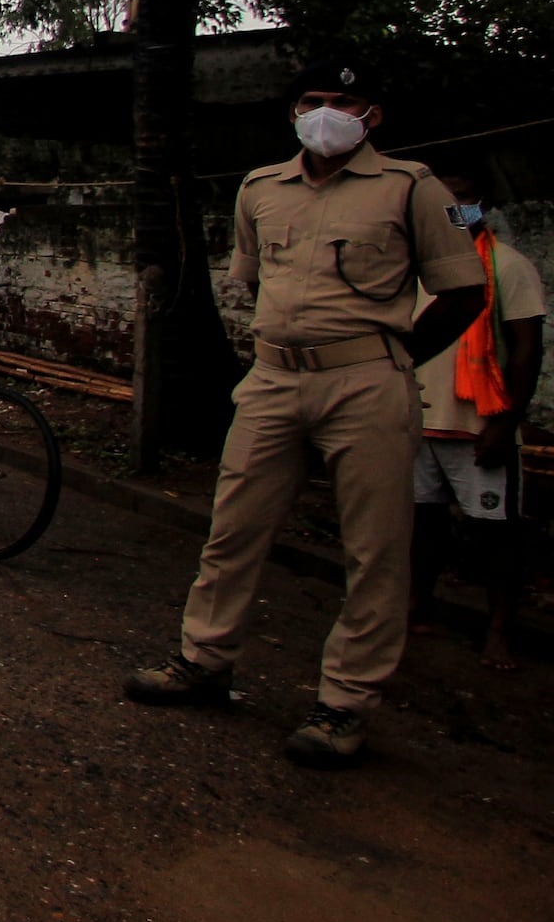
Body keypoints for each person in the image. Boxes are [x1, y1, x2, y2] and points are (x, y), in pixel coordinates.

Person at [125, 57, 489, 769]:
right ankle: (204, 658)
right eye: (314, 100)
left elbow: (465, 292)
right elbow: (255, 279)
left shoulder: (412, 187)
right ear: (293, 110)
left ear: (372, 114)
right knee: (232, 527)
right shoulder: (262, 188)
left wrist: (398, 355)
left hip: (366, 379)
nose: (327, 112)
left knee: (375, 548)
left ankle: (345, 703)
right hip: (273, 378)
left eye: (345, 100)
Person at [409, 164, 543, 671]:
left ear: (481, 205)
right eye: (442, 200)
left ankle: (500, 630)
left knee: (495, 534)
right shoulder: (417, 267)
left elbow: (528, 350)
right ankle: (416, 607)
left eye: (462, 199)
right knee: (422, 526)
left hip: (478, 427)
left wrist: (506, 423)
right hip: (420, 420)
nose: (452, 210)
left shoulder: (508, 267)